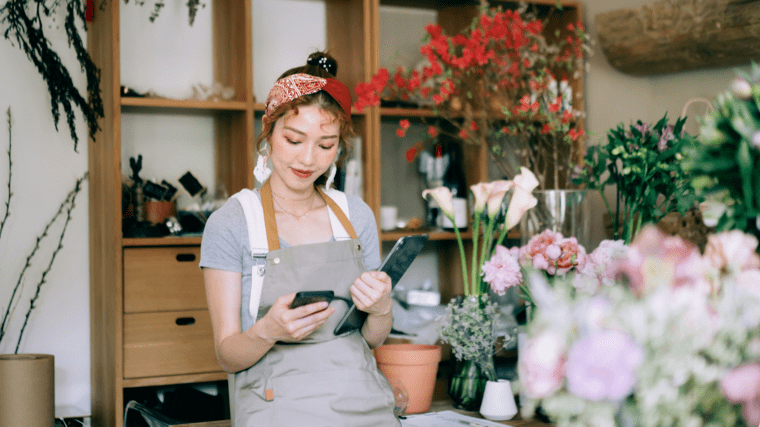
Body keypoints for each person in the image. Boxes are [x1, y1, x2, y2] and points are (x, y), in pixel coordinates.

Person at [200, 52, 400, 426]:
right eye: (294, 139)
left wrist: (382, 307)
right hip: (275, 404)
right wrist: (268, 330)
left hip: (359, 398)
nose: (308, 159)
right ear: (269, 132)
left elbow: (373, 339)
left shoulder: (355, 215)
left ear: (339, 147)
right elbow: (227, 355)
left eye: (326, 145)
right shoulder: (231, 222)